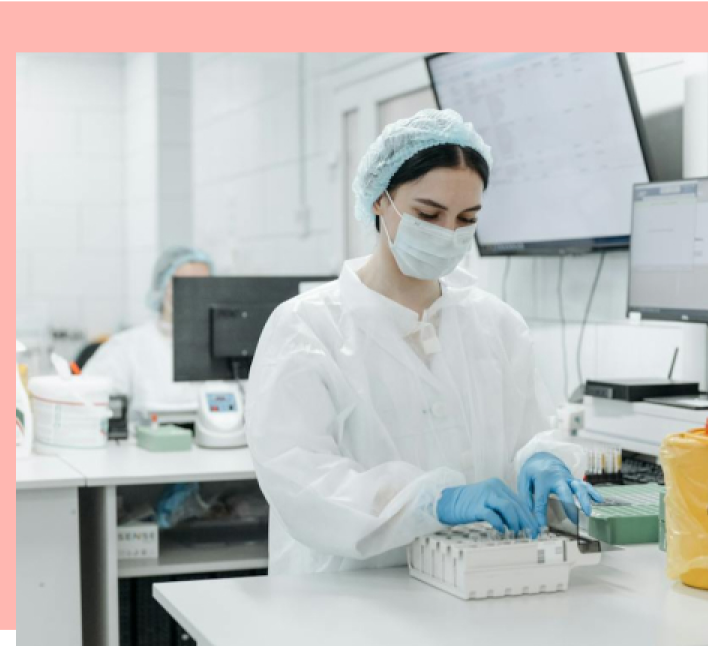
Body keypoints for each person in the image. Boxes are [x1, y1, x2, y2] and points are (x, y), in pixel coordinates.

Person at [246, 108, 601, 574]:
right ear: (379, 199)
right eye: (427, 214)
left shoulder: (498, 325)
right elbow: (301, 480)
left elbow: (531, 432)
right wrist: (432, 501)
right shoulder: (306, 329)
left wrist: (544, 461)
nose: (447, 234)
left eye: (466, 218)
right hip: (346, 600)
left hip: (478, 587)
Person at [83, 247, 213, 418]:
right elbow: (85, 402)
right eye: (185, 284)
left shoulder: (222, 348)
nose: (196, 294)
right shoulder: (127, 346)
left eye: (205, 285)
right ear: (163, 286)